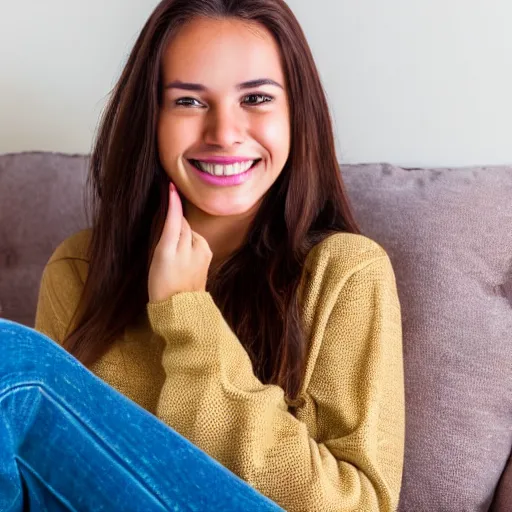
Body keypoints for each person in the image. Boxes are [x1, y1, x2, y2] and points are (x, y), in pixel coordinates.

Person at [2, 0, 405, 510]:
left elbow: (362, 504)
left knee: (7, 360)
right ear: (152, 118)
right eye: (190, 102)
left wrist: (189, 320)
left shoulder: (345, 272)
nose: (224, 134)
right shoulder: (81, 268)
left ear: (296, 115)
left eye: (256, 98)